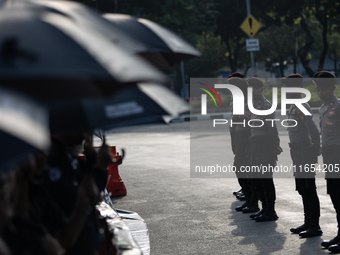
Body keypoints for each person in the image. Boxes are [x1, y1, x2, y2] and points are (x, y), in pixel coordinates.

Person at [47, 132, 112, 255]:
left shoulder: (71, 158)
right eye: (80, 125)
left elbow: (95, 190)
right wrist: (100, 167)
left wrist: (92, 155)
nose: (85, 132)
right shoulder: (54, 163)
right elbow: (88, 194)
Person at [281, 74, 322, 238]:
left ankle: (315, 225)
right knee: (302, 188)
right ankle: (308, 222)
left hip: (305, 152)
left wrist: (315, 148)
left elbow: (313, 129)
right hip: (297, 152)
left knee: (309, 188)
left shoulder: (301, 105)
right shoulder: (294, 105)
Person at [247, 77, 282, 222]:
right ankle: (264, 208)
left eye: (254, 88)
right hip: (255, 145)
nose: (252, 91)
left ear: (261, 89)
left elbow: (271, 127)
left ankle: (271, 210)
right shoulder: (254, 105)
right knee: (257, 178)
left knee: (266, 179)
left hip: (265, 145)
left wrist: (276, 143)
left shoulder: (266, 106)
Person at [313, 71, 340, 252]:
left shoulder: (338, 107)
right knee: (335, 195)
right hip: (329, 156)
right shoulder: (324, 108)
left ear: (333, 88)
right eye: (318, 89)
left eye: (324, 88)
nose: (320, 92)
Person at [228, 76, 259, 213]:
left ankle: (253, 202)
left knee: (248, 171)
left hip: (247, 138)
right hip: (239, 137)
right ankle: (248, 199)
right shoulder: (238, 101)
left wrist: (241, 118)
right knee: (239, 168)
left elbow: (255, 121)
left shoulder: (249, 102)